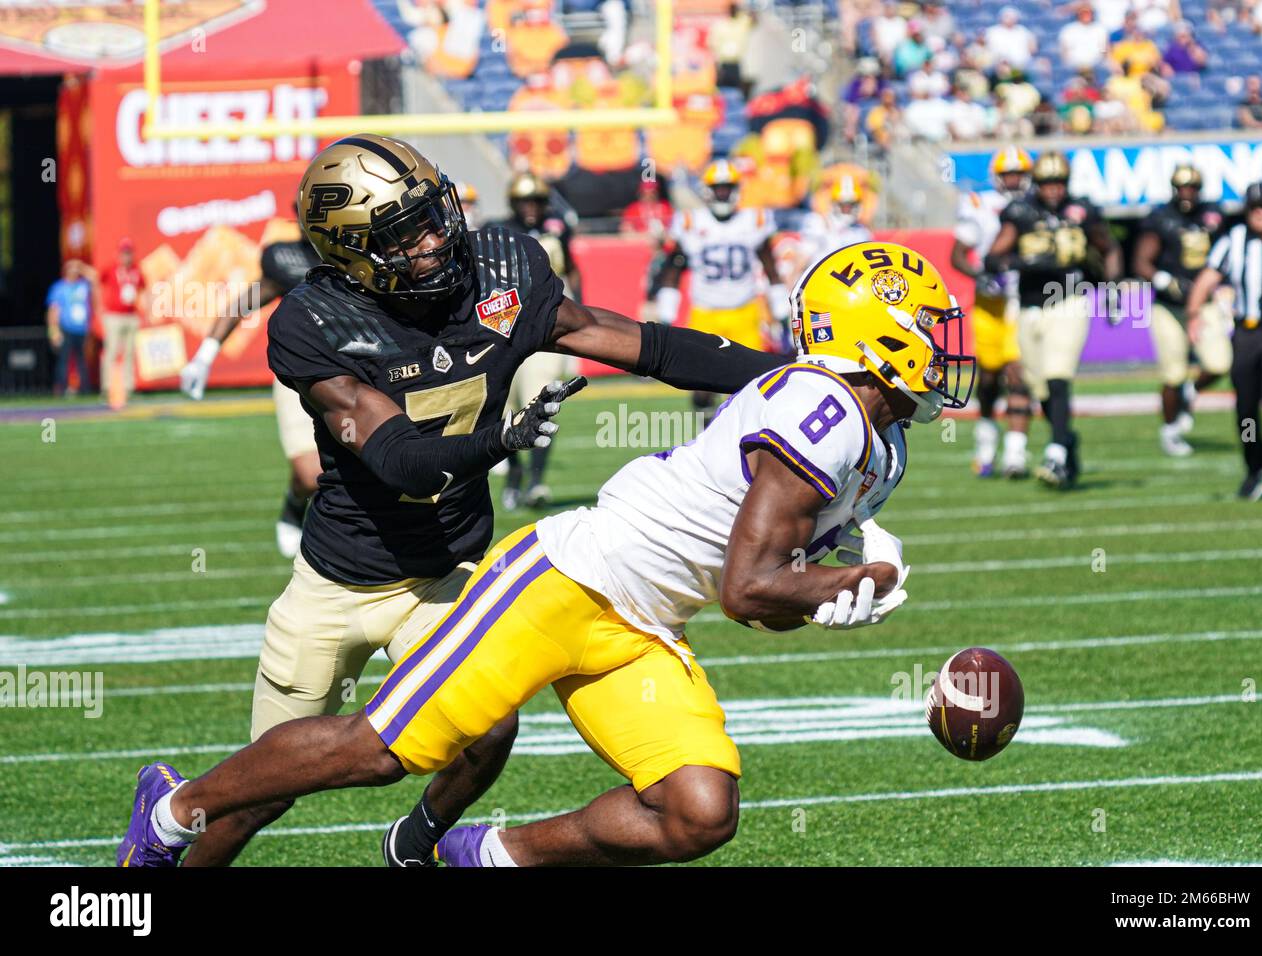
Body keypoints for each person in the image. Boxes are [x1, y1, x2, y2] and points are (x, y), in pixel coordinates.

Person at [118, 240, 974, 869]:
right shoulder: (821, 411)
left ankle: (483, 855)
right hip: (563, 583)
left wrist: (828, 596)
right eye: (928, 325)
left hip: (641, 624)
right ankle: (176, 808)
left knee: (697, 810)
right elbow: (752, 590)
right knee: (384, 748)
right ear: (876, 334)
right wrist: (854, 580)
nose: (946, 343)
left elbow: (756, 603)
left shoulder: (880, 442)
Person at [136, 134, 789, 868]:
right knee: (259, 793)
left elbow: (648, 346)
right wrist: (500, 442)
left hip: (448, 569)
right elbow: (399, 462)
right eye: (404, 232)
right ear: (353, 253)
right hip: (340, 580)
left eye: (433, 212)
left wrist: (795, 374)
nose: (436, 237)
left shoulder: (500, 268)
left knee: (489, 732)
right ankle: (161, 840)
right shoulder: (314, 322)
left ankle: (414, 845)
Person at [180, 209, 326, 558]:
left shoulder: (358, 257)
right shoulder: (285, 259)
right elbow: (243, 303)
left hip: (358, 375)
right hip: (300, 377)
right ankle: (294, 505)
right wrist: (205, 353)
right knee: (310, 476)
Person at [986, 150, 1121, 488]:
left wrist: (1112, 287)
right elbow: (994, 255)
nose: (1053, 189)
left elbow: (1110, 248)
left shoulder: (1083, 211)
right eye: (1048, 182)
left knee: (1059, 376)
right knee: (1040, 387)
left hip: (1069, 301)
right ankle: (1067, 440)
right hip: (1030, 308)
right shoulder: (1021, 212)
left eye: (1059, 182)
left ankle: (1057, 453)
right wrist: (1022, 261)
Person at [1186, 182, 1262, 502]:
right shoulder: (1233, 241)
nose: (1260, 213)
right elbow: (1208, 277)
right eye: (1254, 208)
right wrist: (1193, 314)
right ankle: (1255, 465)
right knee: (1247, 409)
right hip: (1247, 333)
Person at [655, 158, 790, 417]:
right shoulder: (690, 223)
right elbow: (672, 272)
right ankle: (707, 433)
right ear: (707, 190)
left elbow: (771, 269)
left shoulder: (754, 220)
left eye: (727, 187)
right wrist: (666, 317)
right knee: (700, 383)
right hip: (706, 313)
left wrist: (782, 314)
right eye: (718, 188)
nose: (723, 193)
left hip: (745, 312)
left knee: (753, 383)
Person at [489, 172, 581, 510]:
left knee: (541, 402)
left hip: (548, 330)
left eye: (537, 201)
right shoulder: (497, 231)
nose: (532, 208)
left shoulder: (557, 230)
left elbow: (571, 269)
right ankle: (514, 475)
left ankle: (537, 481)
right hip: (507, 329)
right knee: (505, 407)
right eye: (526, 201)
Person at [1131, 163, 1229, 457]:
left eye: (1192, 188)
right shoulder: (1161, 218)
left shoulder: (1214, 215)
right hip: (1169, 306)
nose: (1187, 194)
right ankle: (1170, 430)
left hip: (1203, 304)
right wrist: (1163, 279)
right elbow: (1141, 261)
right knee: (1173, 374)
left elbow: (1224, 254)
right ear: (1174, 189)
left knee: (1220, 363)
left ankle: (1191, 392)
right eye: (1182, 188)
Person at [950, 145, 1034, 478]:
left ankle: (1015, 453)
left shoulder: (1034, 206)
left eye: (1018, 174)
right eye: (1008, 174)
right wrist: (981, 275)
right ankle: (986, 442)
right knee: (988, 378)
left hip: (1022, 300)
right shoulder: (978, 204)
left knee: (1018, 373)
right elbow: (958, 255)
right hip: (989, 303)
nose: (1014, 181)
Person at [98, 238, 147, 405]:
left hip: (131, 315)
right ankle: (107, 387)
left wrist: (144, 312)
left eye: (129, 253)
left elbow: (143, 291)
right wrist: (100, 308)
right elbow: (98, 283)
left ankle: (129, 387)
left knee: (129, 353)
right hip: (113, 316)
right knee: (111, 351)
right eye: (124, 253)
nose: (126, 256)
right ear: (119, 254)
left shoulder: (137, 271)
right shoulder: (111, 270)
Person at [46, 259, 94, 397]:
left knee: (82, 360)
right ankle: (61, 388)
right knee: (64, 360)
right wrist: (53, 330)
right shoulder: (59, 287)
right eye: (71, 269)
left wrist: (80, 267)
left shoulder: (83, 285)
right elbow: (53, 310)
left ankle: (85, 390)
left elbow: (95, 277)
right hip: (66, 328)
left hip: (82, 329)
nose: (73, 272)